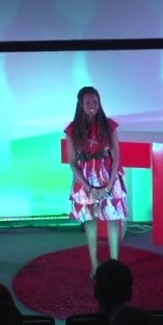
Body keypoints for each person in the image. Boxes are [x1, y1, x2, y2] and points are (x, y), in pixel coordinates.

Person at [64, 86, 128, 277]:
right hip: (85, 180)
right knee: (90, 221)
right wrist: (87, 186)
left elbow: (116, 157)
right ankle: (94, 264)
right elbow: (72, 162)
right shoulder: (73, 129)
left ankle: (115, 265)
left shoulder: (109, 126)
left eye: (95, 102)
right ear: (81, 105)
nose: (92, 105)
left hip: (108, 176)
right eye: (88, 102)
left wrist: (109, 185)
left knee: (113, 220)